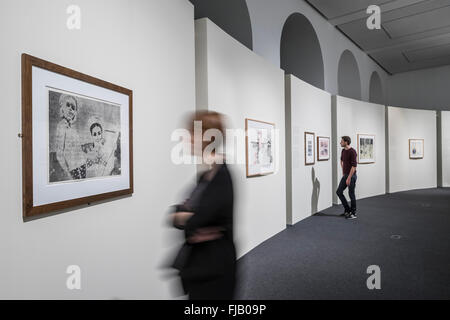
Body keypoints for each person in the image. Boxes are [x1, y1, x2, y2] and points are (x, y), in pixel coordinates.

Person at [170, 111, 236, 300]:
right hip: (199, 267)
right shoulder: (204, 177)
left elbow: (194, 221)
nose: (187, 138)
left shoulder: (222, 177)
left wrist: (187, 216)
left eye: (192, 132)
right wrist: (186, 216)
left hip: (215, 271)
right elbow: (176, 215)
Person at [54, 94, 87, 180]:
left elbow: (77, 147)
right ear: (62, 109)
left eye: (73, 107)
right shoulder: (61, 126)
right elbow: (59, 153)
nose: (70, 109)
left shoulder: (73, 128)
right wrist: (67, 171)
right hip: (72, 167)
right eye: (68, 105)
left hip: (82, 164)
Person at [336, 136, 358, 219]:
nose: (340, 142)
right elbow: (341, 161)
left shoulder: (352, 152)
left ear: (346, 142)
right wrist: (343, 171)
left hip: (351, 176)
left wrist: (349, 177)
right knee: (338, 192)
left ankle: (353, 213)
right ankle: (347, 210)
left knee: (351, 194)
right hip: (345, 175)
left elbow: (354, 167)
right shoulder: (343, 151)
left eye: (341, 141)